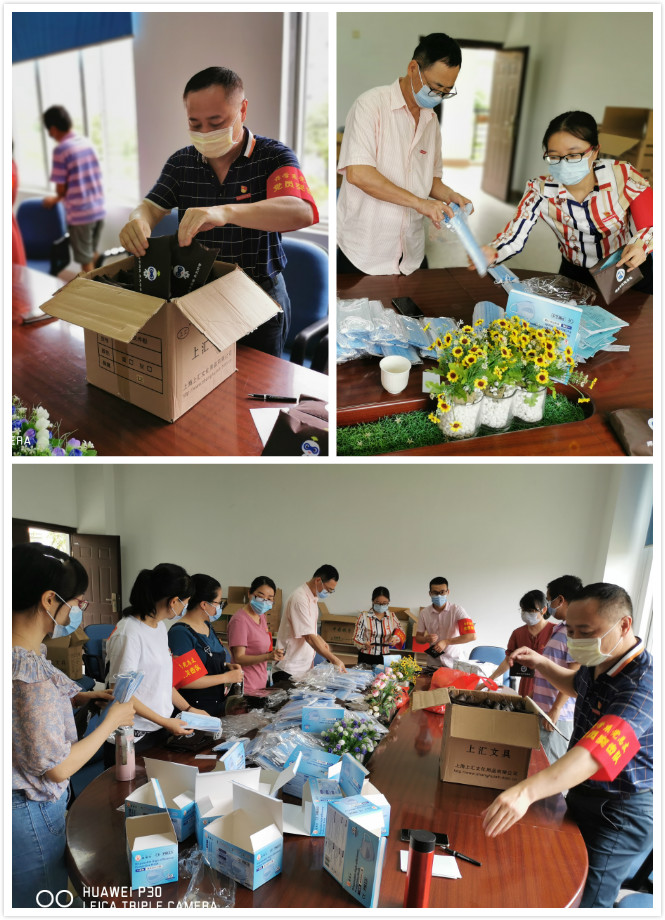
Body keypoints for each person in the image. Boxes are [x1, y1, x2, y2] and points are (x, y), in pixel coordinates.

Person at [119, 66, 319, 356]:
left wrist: (226, 212)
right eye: (195, 124)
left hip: (258, 296)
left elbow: (300, 210)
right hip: (199, 295)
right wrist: (138, 221)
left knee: (257, 379)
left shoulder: (273, 156)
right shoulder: (181, 163)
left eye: (216, 122)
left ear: (242, 110)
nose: (205, 133)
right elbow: (150, 206)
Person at [482, 583, 652, 909]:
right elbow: (576, 685)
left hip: (618, 811)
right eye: (571, 631)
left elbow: (595, 753)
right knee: (557, 875)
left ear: (624, 625)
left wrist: (526, 792)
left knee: (587, 898)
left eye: (584, 632)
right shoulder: (600, 659)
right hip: (583, 794)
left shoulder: (642, 684)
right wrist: (540, 662)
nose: (575, 641)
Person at [12, 543, 134, 908]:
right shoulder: (30, 679)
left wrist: (82, 697)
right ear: (50, 600)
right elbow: (58, 768)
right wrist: (111, 721)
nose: (78, 611)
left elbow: (24, 717)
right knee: (40, 900)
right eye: (78, 602)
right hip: (28, 812)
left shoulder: (23, 655)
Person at [337, 32, 472, 275]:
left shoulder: (431, 121)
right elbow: (359, 173)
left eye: (446, 91)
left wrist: (450, 195)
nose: (439, 96)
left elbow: (430, 180)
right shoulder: (370, 106)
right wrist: (420, 203)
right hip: (364, 252)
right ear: (413, 68)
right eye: (435, 87)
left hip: (410, 252)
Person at [478, 111, 653, 294]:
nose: (564, 163)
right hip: (576, 274)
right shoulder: (539, 190)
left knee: (635, 312)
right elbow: (514, 235)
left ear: (595, 151)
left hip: (627, 266)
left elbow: (653, 223)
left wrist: (642, 245)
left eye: (574, 155)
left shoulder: (622, 174)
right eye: (554, 156)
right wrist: (493, 251)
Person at [104, 563, 210, 766]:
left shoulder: (159, 627)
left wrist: (188, 708)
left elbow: (162, 682)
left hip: (159, 728)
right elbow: (122, 693)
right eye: (186, 603)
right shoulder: (129, 632)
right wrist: (165, 722)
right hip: (133, 735)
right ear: (174, 601)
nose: (185, 608)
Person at [167, 573, 243, 717]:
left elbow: (203, 664)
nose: (219, 608)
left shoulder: (207, 626)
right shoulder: (181, 633)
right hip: (194, 711)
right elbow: (184, 680)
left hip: (215, 705)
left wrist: (226, 667)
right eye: (218, 603)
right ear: (204, 604)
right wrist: (226, 678)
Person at [42, 105, 105, 273]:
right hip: (98, 209)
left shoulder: (61, 150)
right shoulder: (86, 143)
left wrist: (54, 199)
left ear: (53, 129)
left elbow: (61, 189)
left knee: (86, 263)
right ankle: (104, 281)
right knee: (92, 254)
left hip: (81, 214)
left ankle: (92, 290)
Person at [533, 575, 582, 762]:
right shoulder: (560, 629)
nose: (548, 604)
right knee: (539, 763)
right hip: (544, 709)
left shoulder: (575, 632)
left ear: (560, 600)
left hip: (556, 715)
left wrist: (556, 708)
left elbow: (574, 674)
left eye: (549, 599)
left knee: (550, 765)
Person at [272, 565, 347, 686]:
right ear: (318, 580)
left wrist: (321, 640)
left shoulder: (313, 599)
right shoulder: (299, 599)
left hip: (302, 669)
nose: (328, 593)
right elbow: (309, 637)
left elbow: (310, 630)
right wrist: (334, 659)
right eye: (328, 589)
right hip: (288, 669)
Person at [227, 576, 284, 696]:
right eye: (260, 596)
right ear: (249, 594)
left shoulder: (261, 616)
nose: (264, 602)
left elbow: (258, 646)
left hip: (260, 683)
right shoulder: (240, 621)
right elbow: (239, 658)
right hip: (245, 686)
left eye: (269, 599)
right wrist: (268, 656)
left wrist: (273, 654)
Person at [489, 590, 553, 697]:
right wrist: (490, 680)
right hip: (526, 687)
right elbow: (508, 660)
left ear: (544, 610)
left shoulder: (555, 632)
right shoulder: (518, 633)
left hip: (548, 687)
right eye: (523, 610)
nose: (526, 613)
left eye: (530, 610)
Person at [414, 576, 476, 669]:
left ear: (448, 592)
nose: (439, 596)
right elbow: (418, 638)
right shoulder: (424, 613)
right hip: (434, 661)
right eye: (435, 592)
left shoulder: (457, 610)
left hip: (454, 662)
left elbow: (471, 636)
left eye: (442, 592)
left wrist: (446, 642)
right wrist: (426, 639)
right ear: (430, 594)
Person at [353, 587, 406, 665]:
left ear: (388, 602)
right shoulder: (363, 616)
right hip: (366, 656)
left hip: (385, 657)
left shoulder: (392, 616)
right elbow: (356, 639)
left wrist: (395, 638)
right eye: (378, 602)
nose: (381, 605)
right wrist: (364, 644)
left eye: (384, 603)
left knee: (384, 673)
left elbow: (401, 632)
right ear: (373, 601)